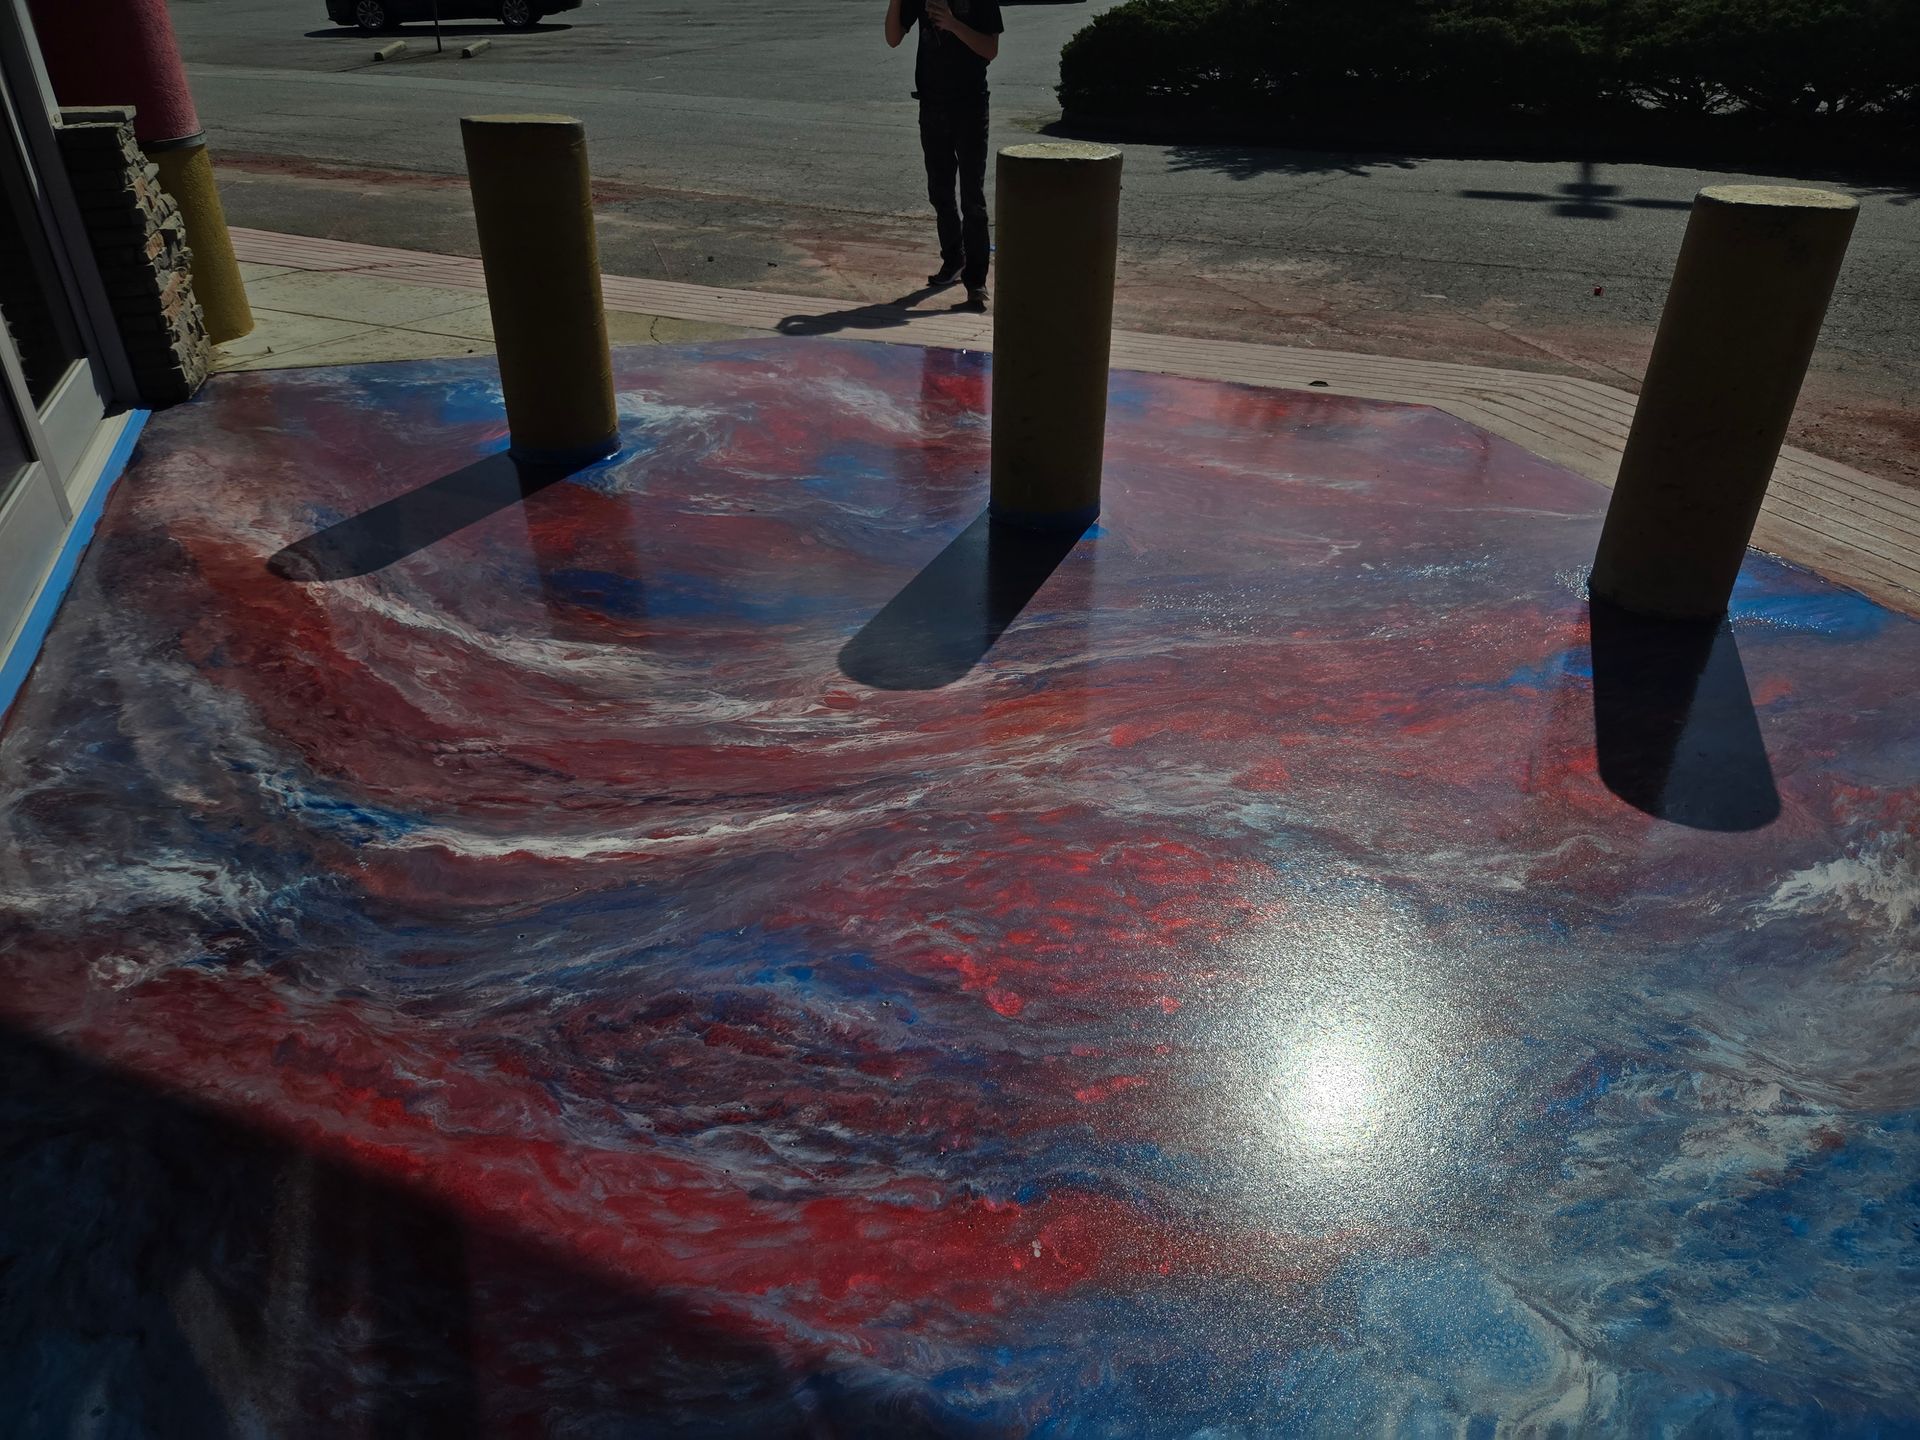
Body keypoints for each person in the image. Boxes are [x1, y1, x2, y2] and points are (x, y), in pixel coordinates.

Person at [884, 0, 1003, 312]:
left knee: (972, 198)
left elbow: (990, 49)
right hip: (932, 105)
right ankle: (954, 259)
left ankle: (976, 283)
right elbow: (893, 38)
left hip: (970, 106)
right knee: (940, 192)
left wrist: (952, 24)